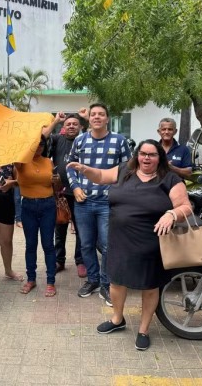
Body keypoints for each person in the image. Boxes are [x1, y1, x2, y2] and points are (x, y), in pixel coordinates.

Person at [68, 139, 191, 351]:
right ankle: (117, 319)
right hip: (119, 239)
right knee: (116, 282)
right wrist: (85, 169)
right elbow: (100, 176)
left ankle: (143, 329)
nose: (146, 158)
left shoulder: (170, 179)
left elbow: (185, 207)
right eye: (143, 153)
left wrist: (171, 214)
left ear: (160, 157)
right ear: (137, 155)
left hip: (151, 242)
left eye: (152, 154)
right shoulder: (125, 170)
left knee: (150, 286)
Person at [67, 103, 131, 306]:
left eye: (101, 114)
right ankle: (93, 280)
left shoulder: (119, 141)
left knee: (107, 245)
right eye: (93, 114)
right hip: (83, 202)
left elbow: (128, 170)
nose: (96, 117)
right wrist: (75, 187)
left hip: (107, 202)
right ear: (89, 119)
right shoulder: (79, 140)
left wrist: (119, 193)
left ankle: (106, 283)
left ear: (107, 118)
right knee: (86, 244)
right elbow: (70, 166)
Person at [43, 111, 88, 277]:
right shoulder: (56, 139)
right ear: (63, 127)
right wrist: (55, 121)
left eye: (75, 124)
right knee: (60, 227)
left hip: (80, 192)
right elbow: (42, 137)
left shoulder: (85, 141)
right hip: (60, 193)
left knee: (81, 228)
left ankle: (81, 260)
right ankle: (59, 260)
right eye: (68, 124)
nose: (71, 126)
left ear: (81, 127)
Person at [15, 136, 58, 297]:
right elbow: (15, 157)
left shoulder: (49, 161)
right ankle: (31, 279)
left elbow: (56, 187)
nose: (38, 147)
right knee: (30, 244)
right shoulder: (21, 162)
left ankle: (50, 281)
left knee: (48, 244)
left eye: (41, 144)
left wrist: (57, 180)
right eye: (35, 144)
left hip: (48, 205)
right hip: (28, 206)